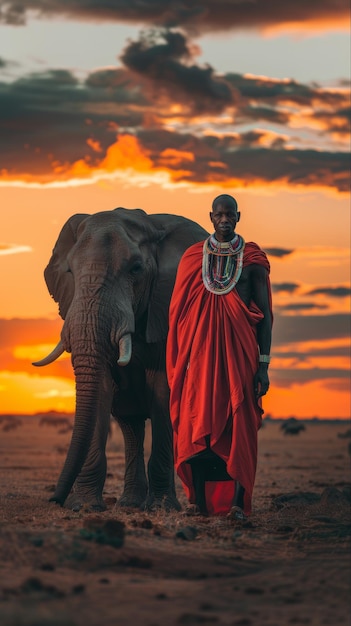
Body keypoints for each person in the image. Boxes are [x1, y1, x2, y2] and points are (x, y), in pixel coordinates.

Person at [166, 194, 273, 520]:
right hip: (199, 360)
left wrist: (264, 366)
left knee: (239, 423)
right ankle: (197, 503)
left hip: (240, 359)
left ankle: (238, 505)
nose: (225, 220)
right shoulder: (192, 258)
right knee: (197, 422)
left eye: (230, 215)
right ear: (211, 217)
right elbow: (179, 314)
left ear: (238, 217)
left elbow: (266, 316)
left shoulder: (252, 260)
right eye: (219, 215)